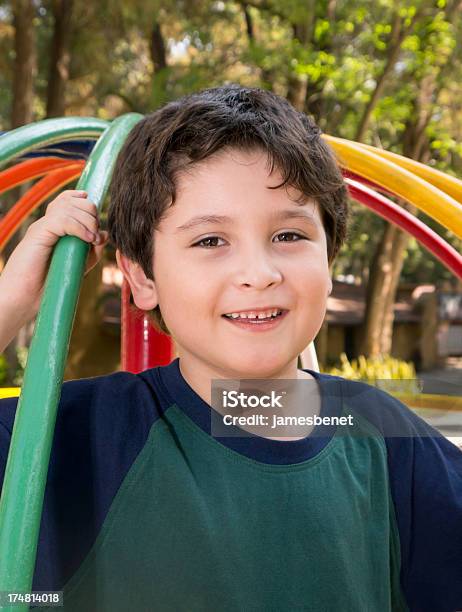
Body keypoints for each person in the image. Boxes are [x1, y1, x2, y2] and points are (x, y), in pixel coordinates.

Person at [0, 85, 461, 612]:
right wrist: (11, 302)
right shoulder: (75, 438)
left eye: (289, 236)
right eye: (210, 241)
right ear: (141, 277)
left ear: (329, 259)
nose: (259, 275)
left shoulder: (383, 437)